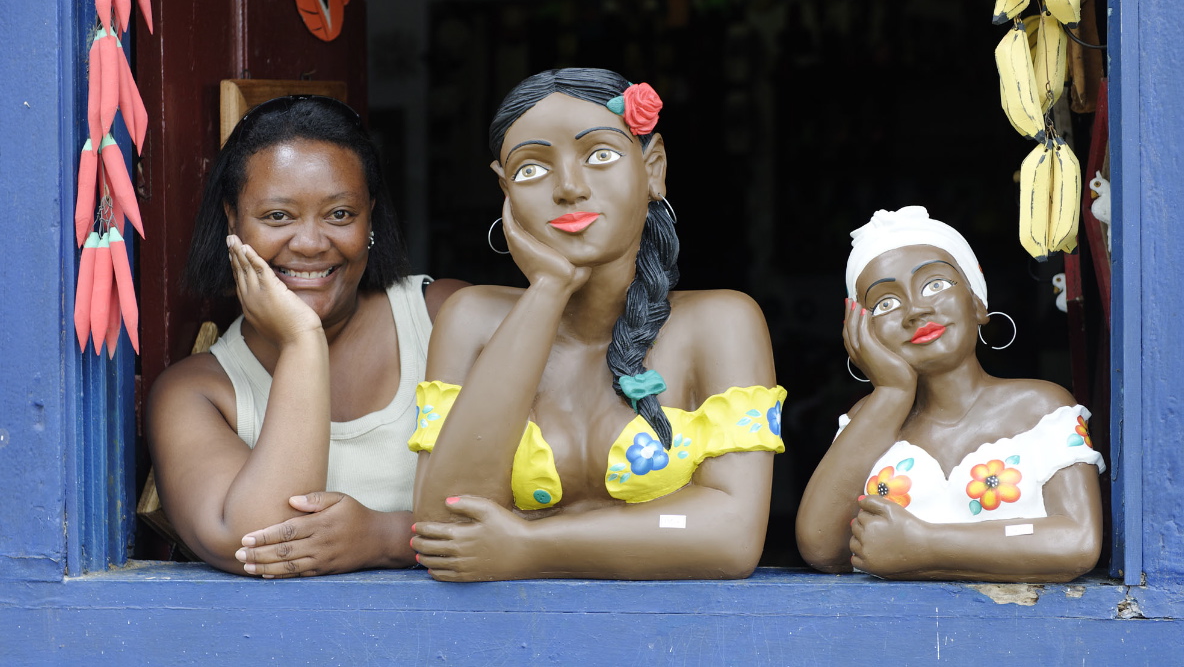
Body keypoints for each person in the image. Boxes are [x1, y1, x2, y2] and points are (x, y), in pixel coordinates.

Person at [408, 68, 786, 581]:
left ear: (653, 169)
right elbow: (444, 528)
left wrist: (531, 545)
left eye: (600, 156)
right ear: (505, 191)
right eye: (530, 169)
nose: (569, 187)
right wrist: (548, 289)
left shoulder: (720, 323)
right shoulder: (470, 318)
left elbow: (731, 535)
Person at [146, 95, 466, 577]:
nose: (312, 244)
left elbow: (552, 503)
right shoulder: (197, 393)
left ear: (371, 216)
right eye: (278, 216)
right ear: (233, 220)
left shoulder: (446, 321)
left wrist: (386, 538)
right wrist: (302, 340)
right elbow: (260, 543)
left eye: (340, 214)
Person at [795, 206, 1104, 582]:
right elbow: (823, 548)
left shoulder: (1041, 409)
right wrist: (891, 392)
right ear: (861, 332)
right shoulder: (869, 419)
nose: (916, 310)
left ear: (977, 302)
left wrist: (926, 544)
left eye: (935, 285)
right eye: (886, 304)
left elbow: (1076, 540)